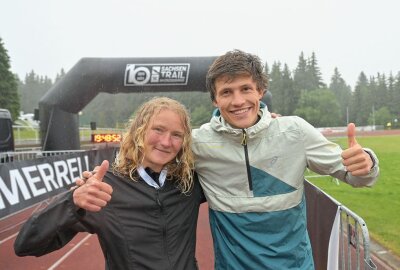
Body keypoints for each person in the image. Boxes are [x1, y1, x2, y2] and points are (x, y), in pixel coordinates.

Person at [190, 49, 379, 269]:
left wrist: (367, 163)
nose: (238, 100)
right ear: (215, 99)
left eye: (245, 89)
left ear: (260, 91)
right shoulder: (198, 143)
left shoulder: (295, 131)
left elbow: (357, 177)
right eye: (226, 92)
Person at [14, 97, 204, 270]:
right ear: (139, 130)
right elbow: (26, 245)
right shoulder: (103, 189)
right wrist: (71, 201)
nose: (166, 142)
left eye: (177, 135)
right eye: (158, 130)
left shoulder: (189, 183)